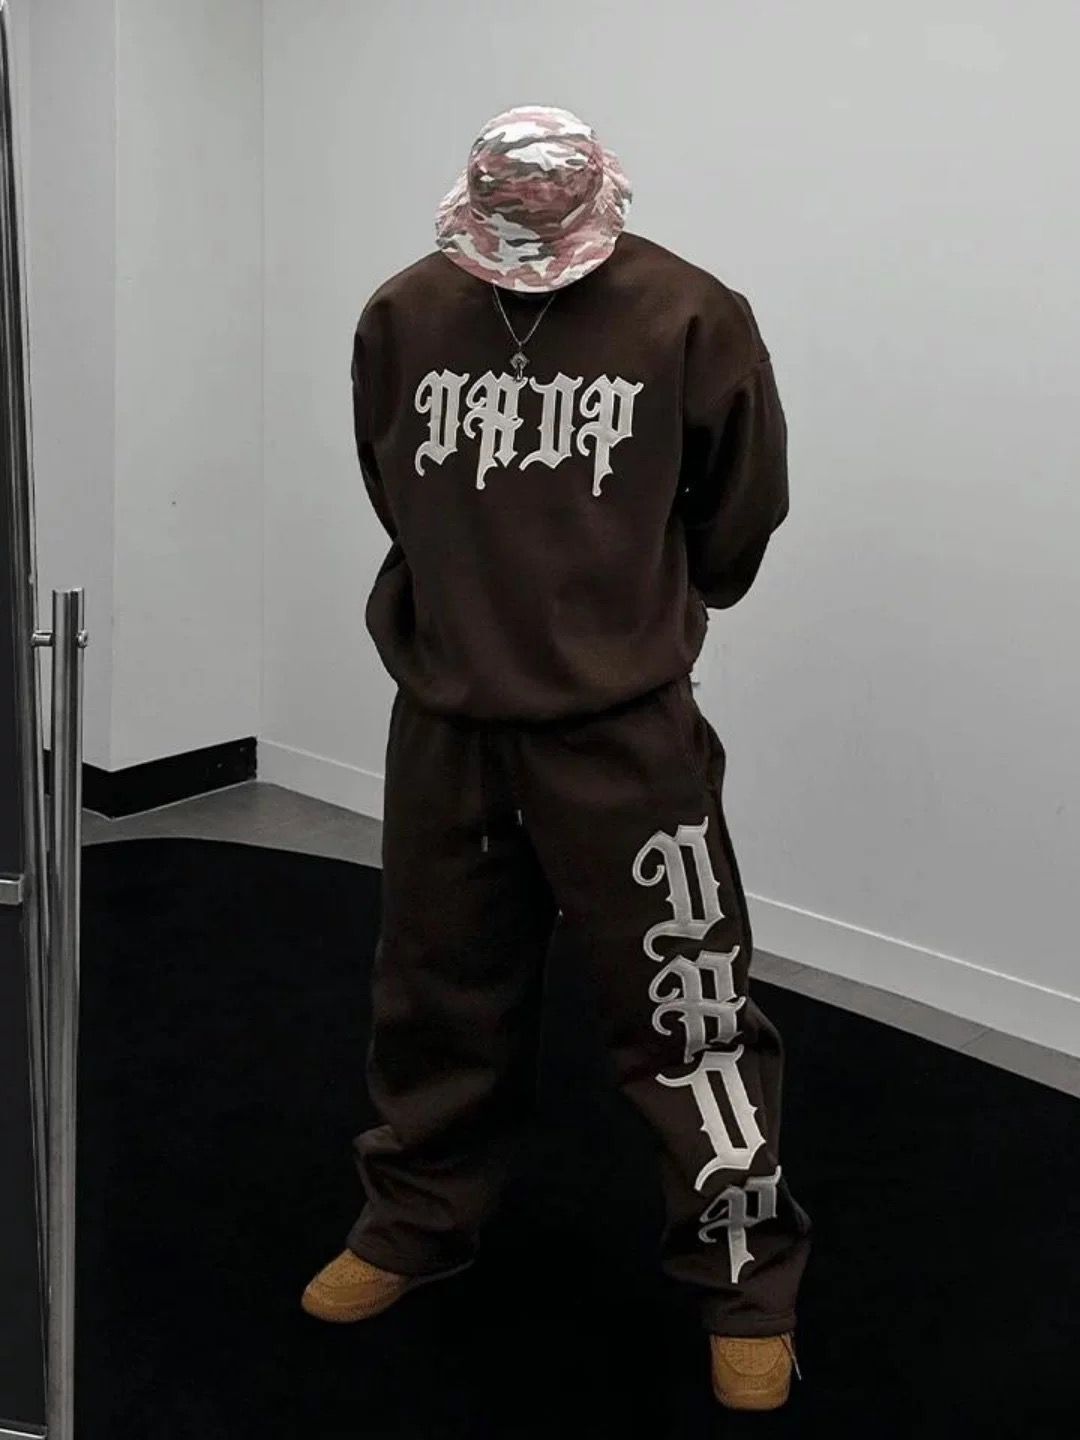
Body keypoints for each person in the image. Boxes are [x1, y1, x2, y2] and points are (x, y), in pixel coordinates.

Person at [301, 103, 811, 1413]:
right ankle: (415, 1221)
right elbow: (396, 483)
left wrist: (626, 613)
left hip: (623, 730)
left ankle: (744, 1278)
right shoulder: (404, 315)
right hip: (451, 721)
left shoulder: (690, 315)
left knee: (688, 1005)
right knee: (435, 988)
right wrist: (474, 606)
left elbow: (741, 509)